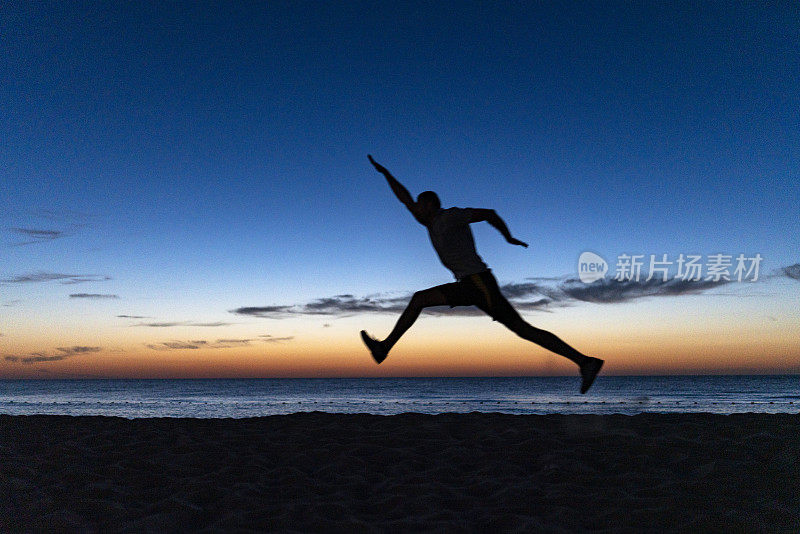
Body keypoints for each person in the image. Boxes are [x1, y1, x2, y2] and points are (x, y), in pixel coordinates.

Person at [360, 155, 604, 393]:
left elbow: (489, 213)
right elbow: (405, 199)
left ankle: (585, 362)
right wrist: (385, 174)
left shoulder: (450, 216)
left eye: (420, 204)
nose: (415, 208)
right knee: (423, 301)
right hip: (470, 284)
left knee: (522, 329)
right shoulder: (430, 224)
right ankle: (585, 362)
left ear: (431, 205)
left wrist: (508, 237)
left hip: (478, 282)